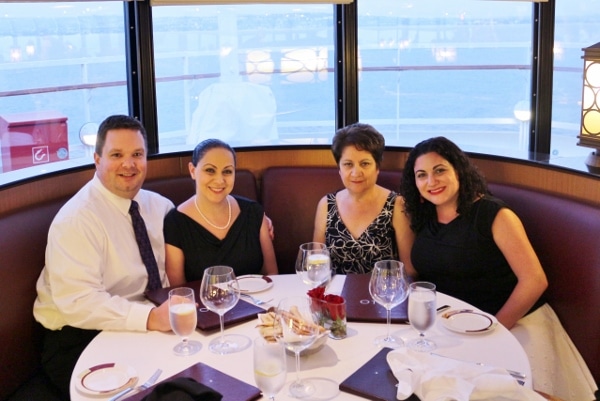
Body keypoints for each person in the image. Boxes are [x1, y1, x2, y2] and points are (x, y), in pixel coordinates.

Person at [400, 136, 597, 401]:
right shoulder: (425, 217)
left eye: (440, 170)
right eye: (421, 175)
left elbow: (534, 281)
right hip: (456, 326)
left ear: (458, 170)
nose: (431, 182)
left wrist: (496, 329)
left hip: (516, 321)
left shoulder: (494, 215)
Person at [33, 115, 175, 400]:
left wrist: (255, 219)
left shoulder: (160, 207)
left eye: (137, 154)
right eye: (116, 155)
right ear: (97, 159)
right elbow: (79, 302)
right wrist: (148, 318)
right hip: (77, 338)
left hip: (142, 326)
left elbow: (197, 230)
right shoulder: (77, 220)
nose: (129, 164)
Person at [164, 138, 277, 285]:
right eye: (210, 170)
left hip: (257, 305)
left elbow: (272, 274)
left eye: (227, 171)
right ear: (193, 171)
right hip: (202, 307)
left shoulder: (253, 212)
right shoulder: (175, 223)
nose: (219, 180)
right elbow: (179, 292)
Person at [312, 122, 415, 275]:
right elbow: (316, 264)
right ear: (339, 169)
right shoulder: (326, 205)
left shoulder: (397, 205)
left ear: (377, 167)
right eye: (348, 164)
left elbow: (409, 270)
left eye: (365, 163)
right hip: (335, 296)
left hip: (383, 296)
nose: (356, 172)